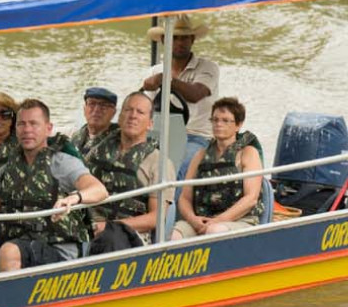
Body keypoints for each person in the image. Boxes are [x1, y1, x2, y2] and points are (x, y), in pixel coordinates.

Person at [0, 100, 109, 272]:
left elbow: (99, 190)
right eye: (22, 124)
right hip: (19, 243)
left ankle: (11, 297)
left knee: (9, 251)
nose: (27, 130)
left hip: (59, 249)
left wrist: (74, 198)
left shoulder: (63, 164)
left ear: (48, 128)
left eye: (34, 124)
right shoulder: (4, 172)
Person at [87, 93, 173, 252]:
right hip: (91, 224)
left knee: (110, 238)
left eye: (140, 112)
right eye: (128, 110)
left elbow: (156, 218)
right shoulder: (98, 152)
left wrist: (110, 227)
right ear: (119, 117)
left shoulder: (160, 163)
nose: (133, 116)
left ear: (150, 124)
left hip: (131, 234)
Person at [171, 97, 263, 239]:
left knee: (214, 231)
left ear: (238, 125)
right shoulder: (200, 155)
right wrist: (193, 220)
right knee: (174, 235)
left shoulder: (248, 153)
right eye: (215, 120)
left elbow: (251, 198)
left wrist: (218, 220)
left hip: (238, 221)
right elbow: (184, 197)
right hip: (201, 220)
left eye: (225, 120)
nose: (218, 124)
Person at [141, 15, 219, 179]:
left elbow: (195, 94)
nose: (180, 43)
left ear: (192, 40)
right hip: (159, 134)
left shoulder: (208, 68)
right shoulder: (154, 72)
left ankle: (169, 203)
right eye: (174, 38)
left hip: (196, 136)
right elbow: (144, 107)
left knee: (178, 167)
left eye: (184, 38)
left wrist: (165, 80)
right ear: (164, 40)